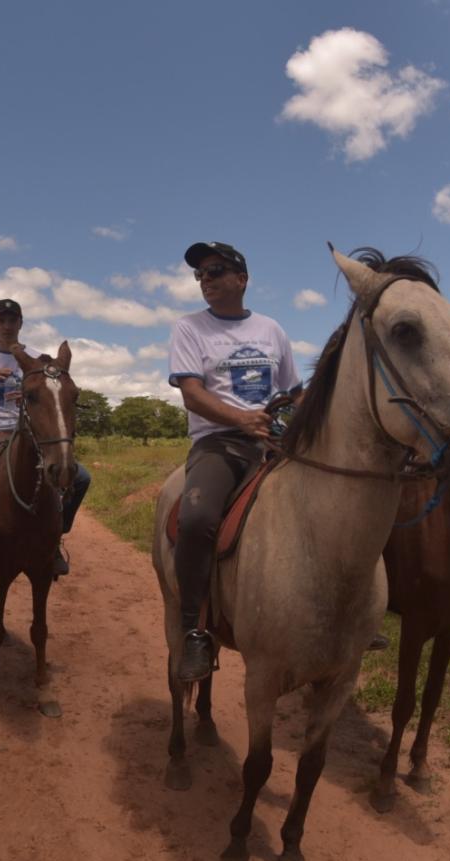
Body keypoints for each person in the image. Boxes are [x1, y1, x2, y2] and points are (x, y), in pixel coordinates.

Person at [168, 242, 301, 682]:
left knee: (337, 502)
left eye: (216, 271)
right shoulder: (189, 329)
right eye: (200, 274)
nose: (206, 279)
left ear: (242, 279)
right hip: (218, 443)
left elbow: (293, 393)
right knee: (197, 518)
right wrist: (242, 420)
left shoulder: (272, 330)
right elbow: (191, 393)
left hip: (272, 441)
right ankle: (193, 630)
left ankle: (348, 614)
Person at [0, 298, 91, 576]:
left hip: (29, 439)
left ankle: (56, 539)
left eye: (12, 320)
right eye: (1, 320)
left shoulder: (37, 359)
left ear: (20, 323)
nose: (6, 325)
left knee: (82, 477)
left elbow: (52, 394)